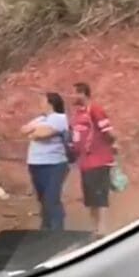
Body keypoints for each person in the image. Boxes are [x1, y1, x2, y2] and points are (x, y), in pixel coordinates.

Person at [70, 82, 117, 234]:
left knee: (100, 195)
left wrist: (110, 146)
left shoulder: (95, 110)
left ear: (82, 93)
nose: (72, 96)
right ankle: (93, 228)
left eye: (74, 93)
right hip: (84, 163)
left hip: (99, 160)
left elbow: (109, 132)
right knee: (90, 197)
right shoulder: (77, 115)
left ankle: (102, 229)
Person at [21, 92, 70, 231]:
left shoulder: (60, 118)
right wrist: (36, 130)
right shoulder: (41, 118)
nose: (40, 104)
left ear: (50, 103)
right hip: (36, 164)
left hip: (54, 164)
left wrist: (35, 131)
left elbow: (41, 134)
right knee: (42, 198)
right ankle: (46, 227)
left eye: (42, 101)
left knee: (52, 197)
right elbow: (24, 130)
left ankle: (57, 230)